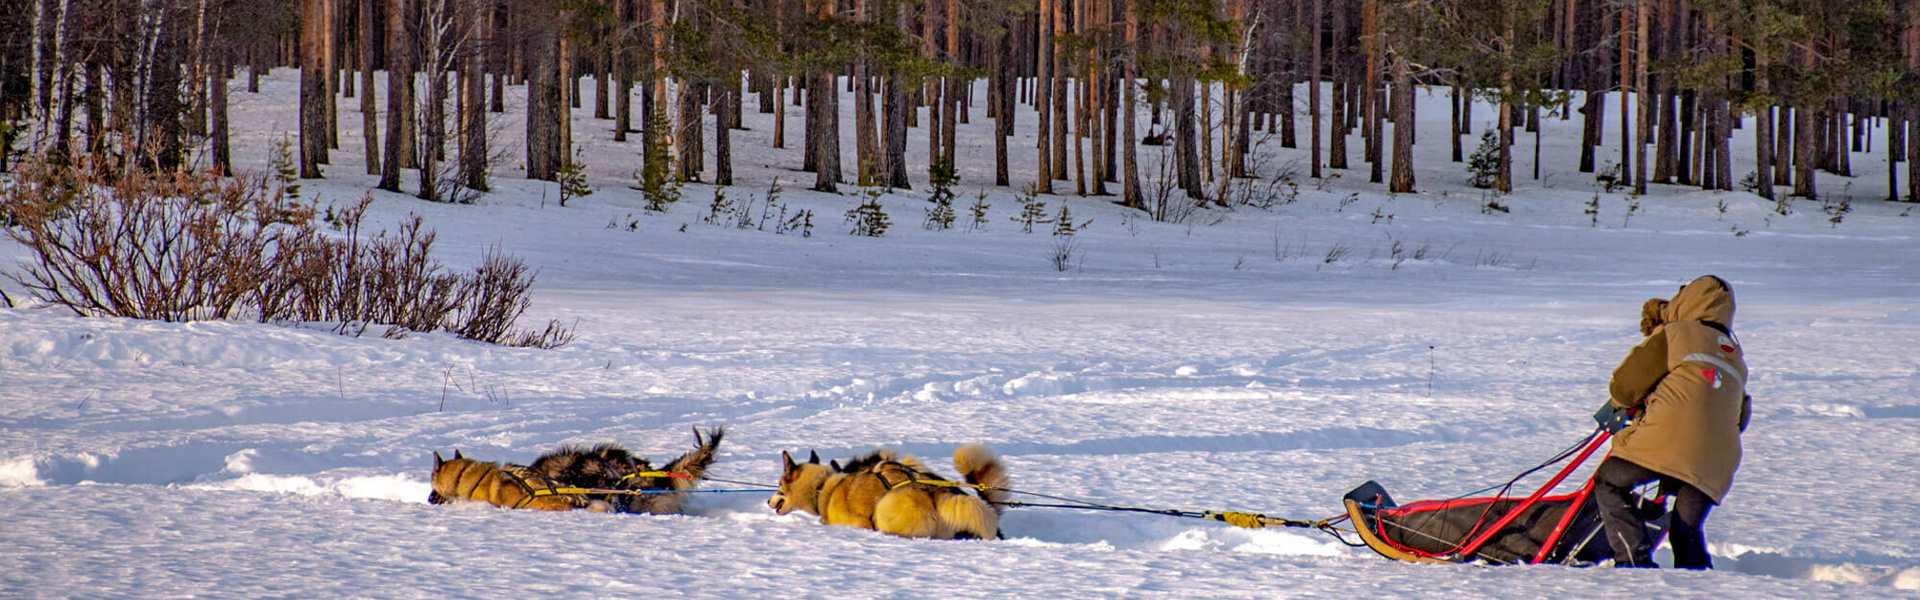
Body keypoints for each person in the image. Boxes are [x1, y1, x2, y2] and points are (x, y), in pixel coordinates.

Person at [1594, 275, 1751, 569]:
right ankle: (1700, 588)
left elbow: (1625, 387)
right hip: (1717, 462)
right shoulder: (1734, 355)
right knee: (1685, 532)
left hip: (1664, 443)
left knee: (1608, 482)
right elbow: (1741, 417)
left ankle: (1633, 563)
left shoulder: (1677, 333)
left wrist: (1617, 410)